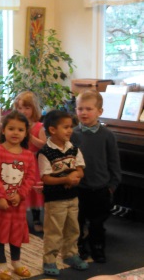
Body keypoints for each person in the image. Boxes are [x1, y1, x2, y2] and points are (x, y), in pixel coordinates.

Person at [0, 111, 36, 280]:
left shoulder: (28, 155)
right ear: (3, 130)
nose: (15, 133)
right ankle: (1, 263)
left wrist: (20, 195)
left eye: (20, 130)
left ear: (25, 133)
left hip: (17, 204)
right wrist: (1, 197)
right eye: (11, 128)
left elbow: (30, 177)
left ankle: (16, 262)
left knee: (16, 232)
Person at [71, 90, 121, 264]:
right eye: (80, 108)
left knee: (97, 223)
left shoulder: (108, 136)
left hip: (100, 188)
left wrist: (112, 186)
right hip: (79, 187)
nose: (83, 113)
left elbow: (114, 163)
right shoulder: (72, 134)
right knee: (77, 221)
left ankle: (97, 247)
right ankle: (79, 247)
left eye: (88, 109)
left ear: (99, 111)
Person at [38, 110, 88, 276]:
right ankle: (50, 259)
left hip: (73, 197)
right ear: (52, 130)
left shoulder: (73, 149)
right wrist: (65, 180)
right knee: (54, 231)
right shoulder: (46, 152)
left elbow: (80, 169)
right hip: (55, 199)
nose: (69, 130)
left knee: (73, 228)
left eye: (70, 127)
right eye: (65, 127)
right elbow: (46, 178)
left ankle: (70, 254)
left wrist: (74, 175)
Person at [14, 91, 46, 232]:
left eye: (27, 108)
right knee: (20, 189)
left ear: (34, 109)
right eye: (20, 108)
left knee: (34, 190)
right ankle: (21, 220)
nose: (23, 111)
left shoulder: (39, 126)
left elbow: (44, 145)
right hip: (20, 161)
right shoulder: (16, 125)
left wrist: (30, 136)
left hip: (34, 161)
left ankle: (37, 218)